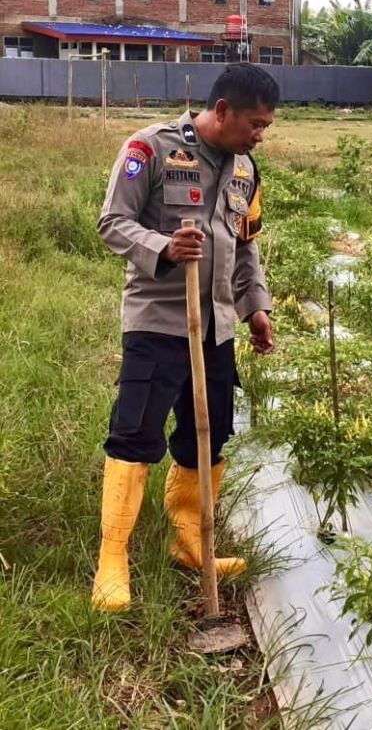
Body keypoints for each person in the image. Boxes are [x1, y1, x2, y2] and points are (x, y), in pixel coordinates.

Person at [92, 63, 278, 611]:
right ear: (222, 111)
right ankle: (112, 558)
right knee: (135, 435)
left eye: (266, 126)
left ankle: (190, 542)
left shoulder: (245, 170)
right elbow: (112, 222)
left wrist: (256, 306)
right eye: (255, 124)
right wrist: (164, 248)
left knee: (209, 434)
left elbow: (245, 245)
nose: (260, 136)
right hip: (158, 322)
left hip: (216, 326)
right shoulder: (150, 149)